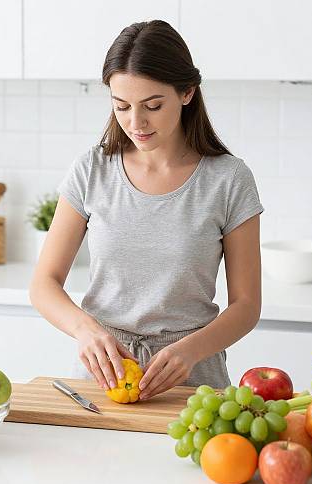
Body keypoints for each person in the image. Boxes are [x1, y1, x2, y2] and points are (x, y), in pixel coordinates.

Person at [30, 20, 264, 400]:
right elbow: (44, 283)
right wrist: (85, 330)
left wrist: (190, 350)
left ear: (187, 92)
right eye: (121, 106)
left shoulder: (229, 179)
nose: (135, 123)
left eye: (152, 106)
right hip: (101, 379)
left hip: (192, 381)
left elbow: (247, 305)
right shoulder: (92, 169)